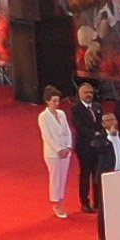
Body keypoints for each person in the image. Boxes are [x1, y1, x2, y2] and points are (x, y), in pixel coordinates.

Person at [35, 91, 79, 221]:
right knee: (55, 177)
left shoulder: (61, 114)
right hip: (53, 153)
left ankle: (61, 199)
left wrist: (69, 146)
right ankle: (56, 202)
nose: (57, 104)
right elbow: (46, 136)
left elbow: (68, 131)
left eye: (58, 101)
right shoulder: (43, 116)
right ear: (48, 101)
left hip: (65, 150)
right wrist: (59, 149)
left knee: (63, 176)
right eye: (54, 101)